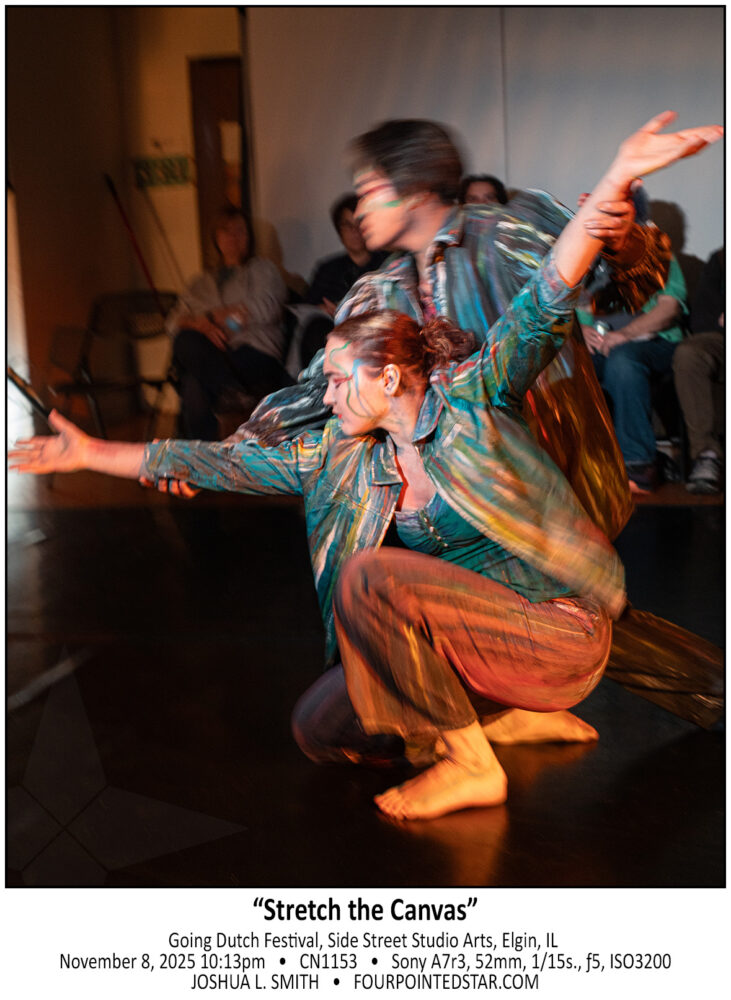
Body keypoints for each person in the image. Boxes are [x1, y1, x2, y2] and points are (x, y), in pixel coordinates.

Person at [11, 113, 722, 820]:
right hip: (451, 535)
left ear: (413, 186)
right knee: (333, 721)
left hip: (521, 479)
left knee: (542, 601)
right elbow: (295, 408)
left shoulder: (498, 256)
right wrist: (119, 454)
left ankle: (482, 753)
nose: (357, 208)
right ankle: (504, 714)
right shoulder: (374, 305)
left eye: (369, 189)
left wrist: (618, 191)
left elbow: (556, 292)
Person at [577, 227, 688, 494]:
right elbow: (562, 303)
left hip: (652, 342)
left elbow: (670, 307)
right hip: (596, 343)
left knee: (623, 361)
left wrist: (625, 335)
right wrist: (580, 330)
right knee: (562, 363)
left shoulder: (656, 252)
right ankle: (575, 463)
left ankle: (638, 462)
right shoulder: (581, 254)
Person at [168, 206, 293, 440]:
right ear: (216, 237)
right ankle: (234, 392)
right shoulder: (200, 283)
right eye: (226, 231)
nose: (233, 237)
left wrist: (217, 319)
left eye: (240, 231)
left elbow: (266, 307)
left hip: (255, 353)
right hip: (213, 355)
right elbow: (174, 321)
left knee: (193, 381)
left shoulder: (262, 269)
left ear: (249, 237)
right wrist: (201, 325)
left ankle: (199, 451)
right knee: (185, 344)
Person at [296, 194, 388, 368]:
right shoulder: (327, 268)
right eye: (347, 225)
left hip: (374, 329)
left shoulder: (387, 263)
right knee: (314, 330)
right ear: (339, 231)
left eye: (359, 223)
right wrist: (323, 309)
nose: (355, 231)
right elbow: (306, 306)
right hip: (332, 331)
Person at [672, 248, 724, 494]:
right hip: (721, 338)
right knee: (689, 353)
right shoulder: (721, 259)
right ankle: (707, 455)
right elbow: (702, 320)